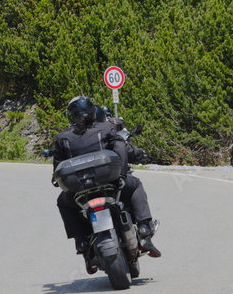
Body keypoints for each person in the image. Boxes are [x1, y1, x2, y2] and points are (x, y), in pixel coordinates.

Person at [52, 95, 161, 257]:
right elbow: (123, 149)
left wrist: (56, 180)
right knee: (136, 185)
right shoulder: (105, 129)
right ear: (92, 111)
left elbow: (57, 167)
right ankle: (144, 228)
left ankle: (80, 239)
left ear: (71, 115)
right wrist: (122, 176)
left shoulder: (62, 138)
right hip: (109, 183)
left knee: (63, 201)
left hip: (80, 191)